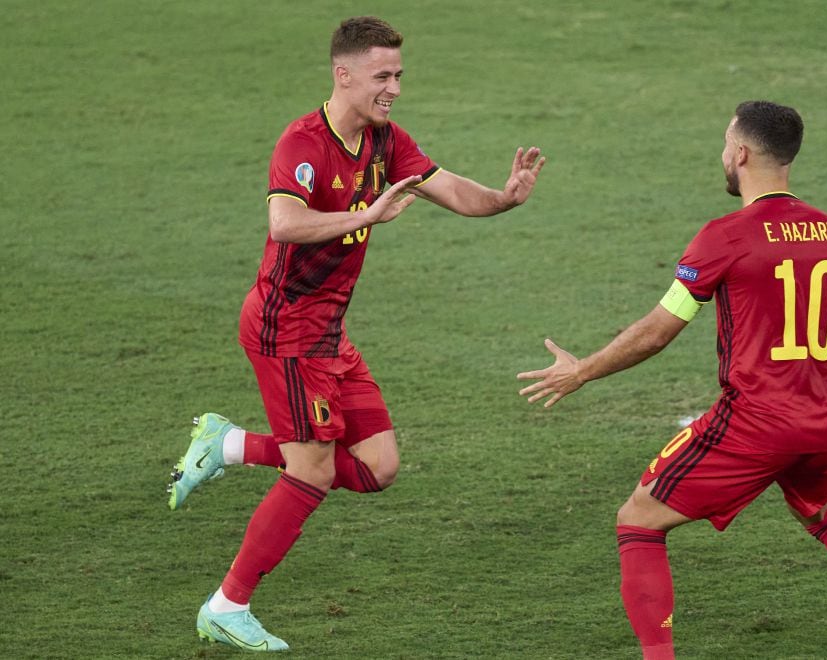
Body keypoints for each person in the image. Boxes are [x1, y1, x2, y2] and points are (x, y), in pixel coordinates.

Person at [166, 16, 545, 651]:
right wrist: (365, 215)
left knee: (378, 466)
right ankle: (226, 605)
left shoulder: (385, 139)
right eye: (382, 76)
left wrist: (505, 198)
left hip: (328, 332)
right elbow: (285, 225)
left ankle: (228, 445)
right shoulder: (302, 143)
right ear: (344, 75)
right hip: (286, 330)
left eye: (398, 74)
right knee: (311, 473)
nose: (394, 87)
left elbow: (448, 187)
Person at [517, 101, 827, 659]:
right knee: (817, 510)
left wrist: (583, 370)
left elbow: (657, 331)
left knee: (638, 520)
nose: (722, 153)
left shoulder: (727, 236)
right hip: (825, 417)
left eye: (725, 143)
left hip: (759, 420)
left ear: (740, 153)